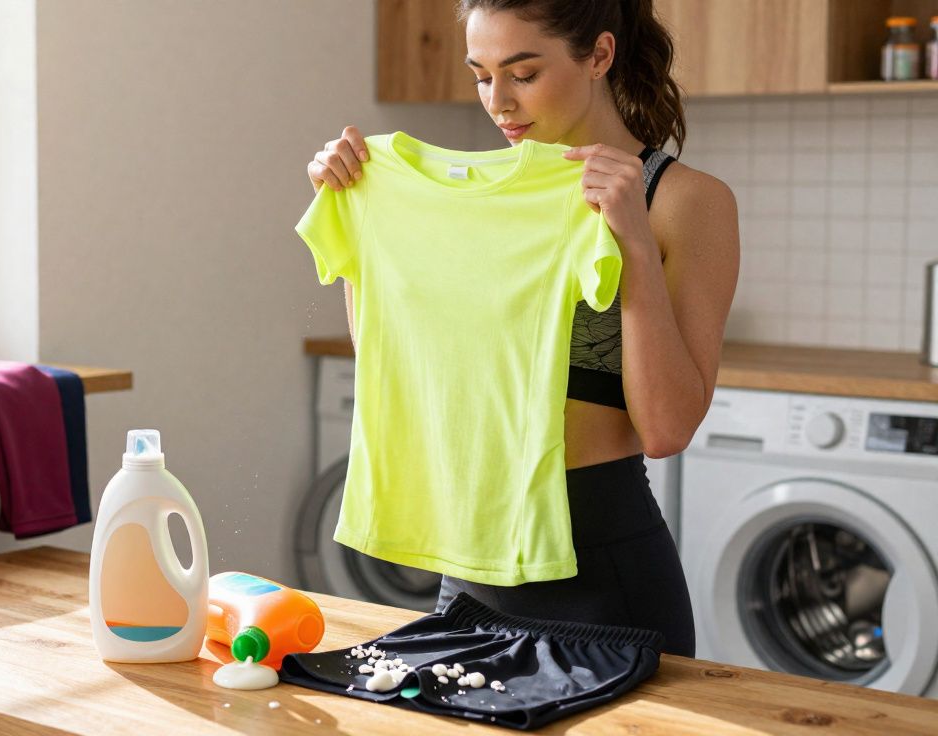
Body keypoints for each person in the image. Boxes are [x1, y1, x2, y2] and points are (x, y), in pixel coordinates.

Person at [304, 0, 740, 657]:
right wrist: (361, 219)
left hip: (604, 580)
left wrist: (636, 249)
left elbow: (667, 429)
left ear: (598, 55)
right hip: (471, 574)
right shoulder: (476, 202)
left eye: (523, 74)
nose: (498, 102)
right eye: (481, 76)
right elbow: (399, 371)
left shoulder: (686, 202)